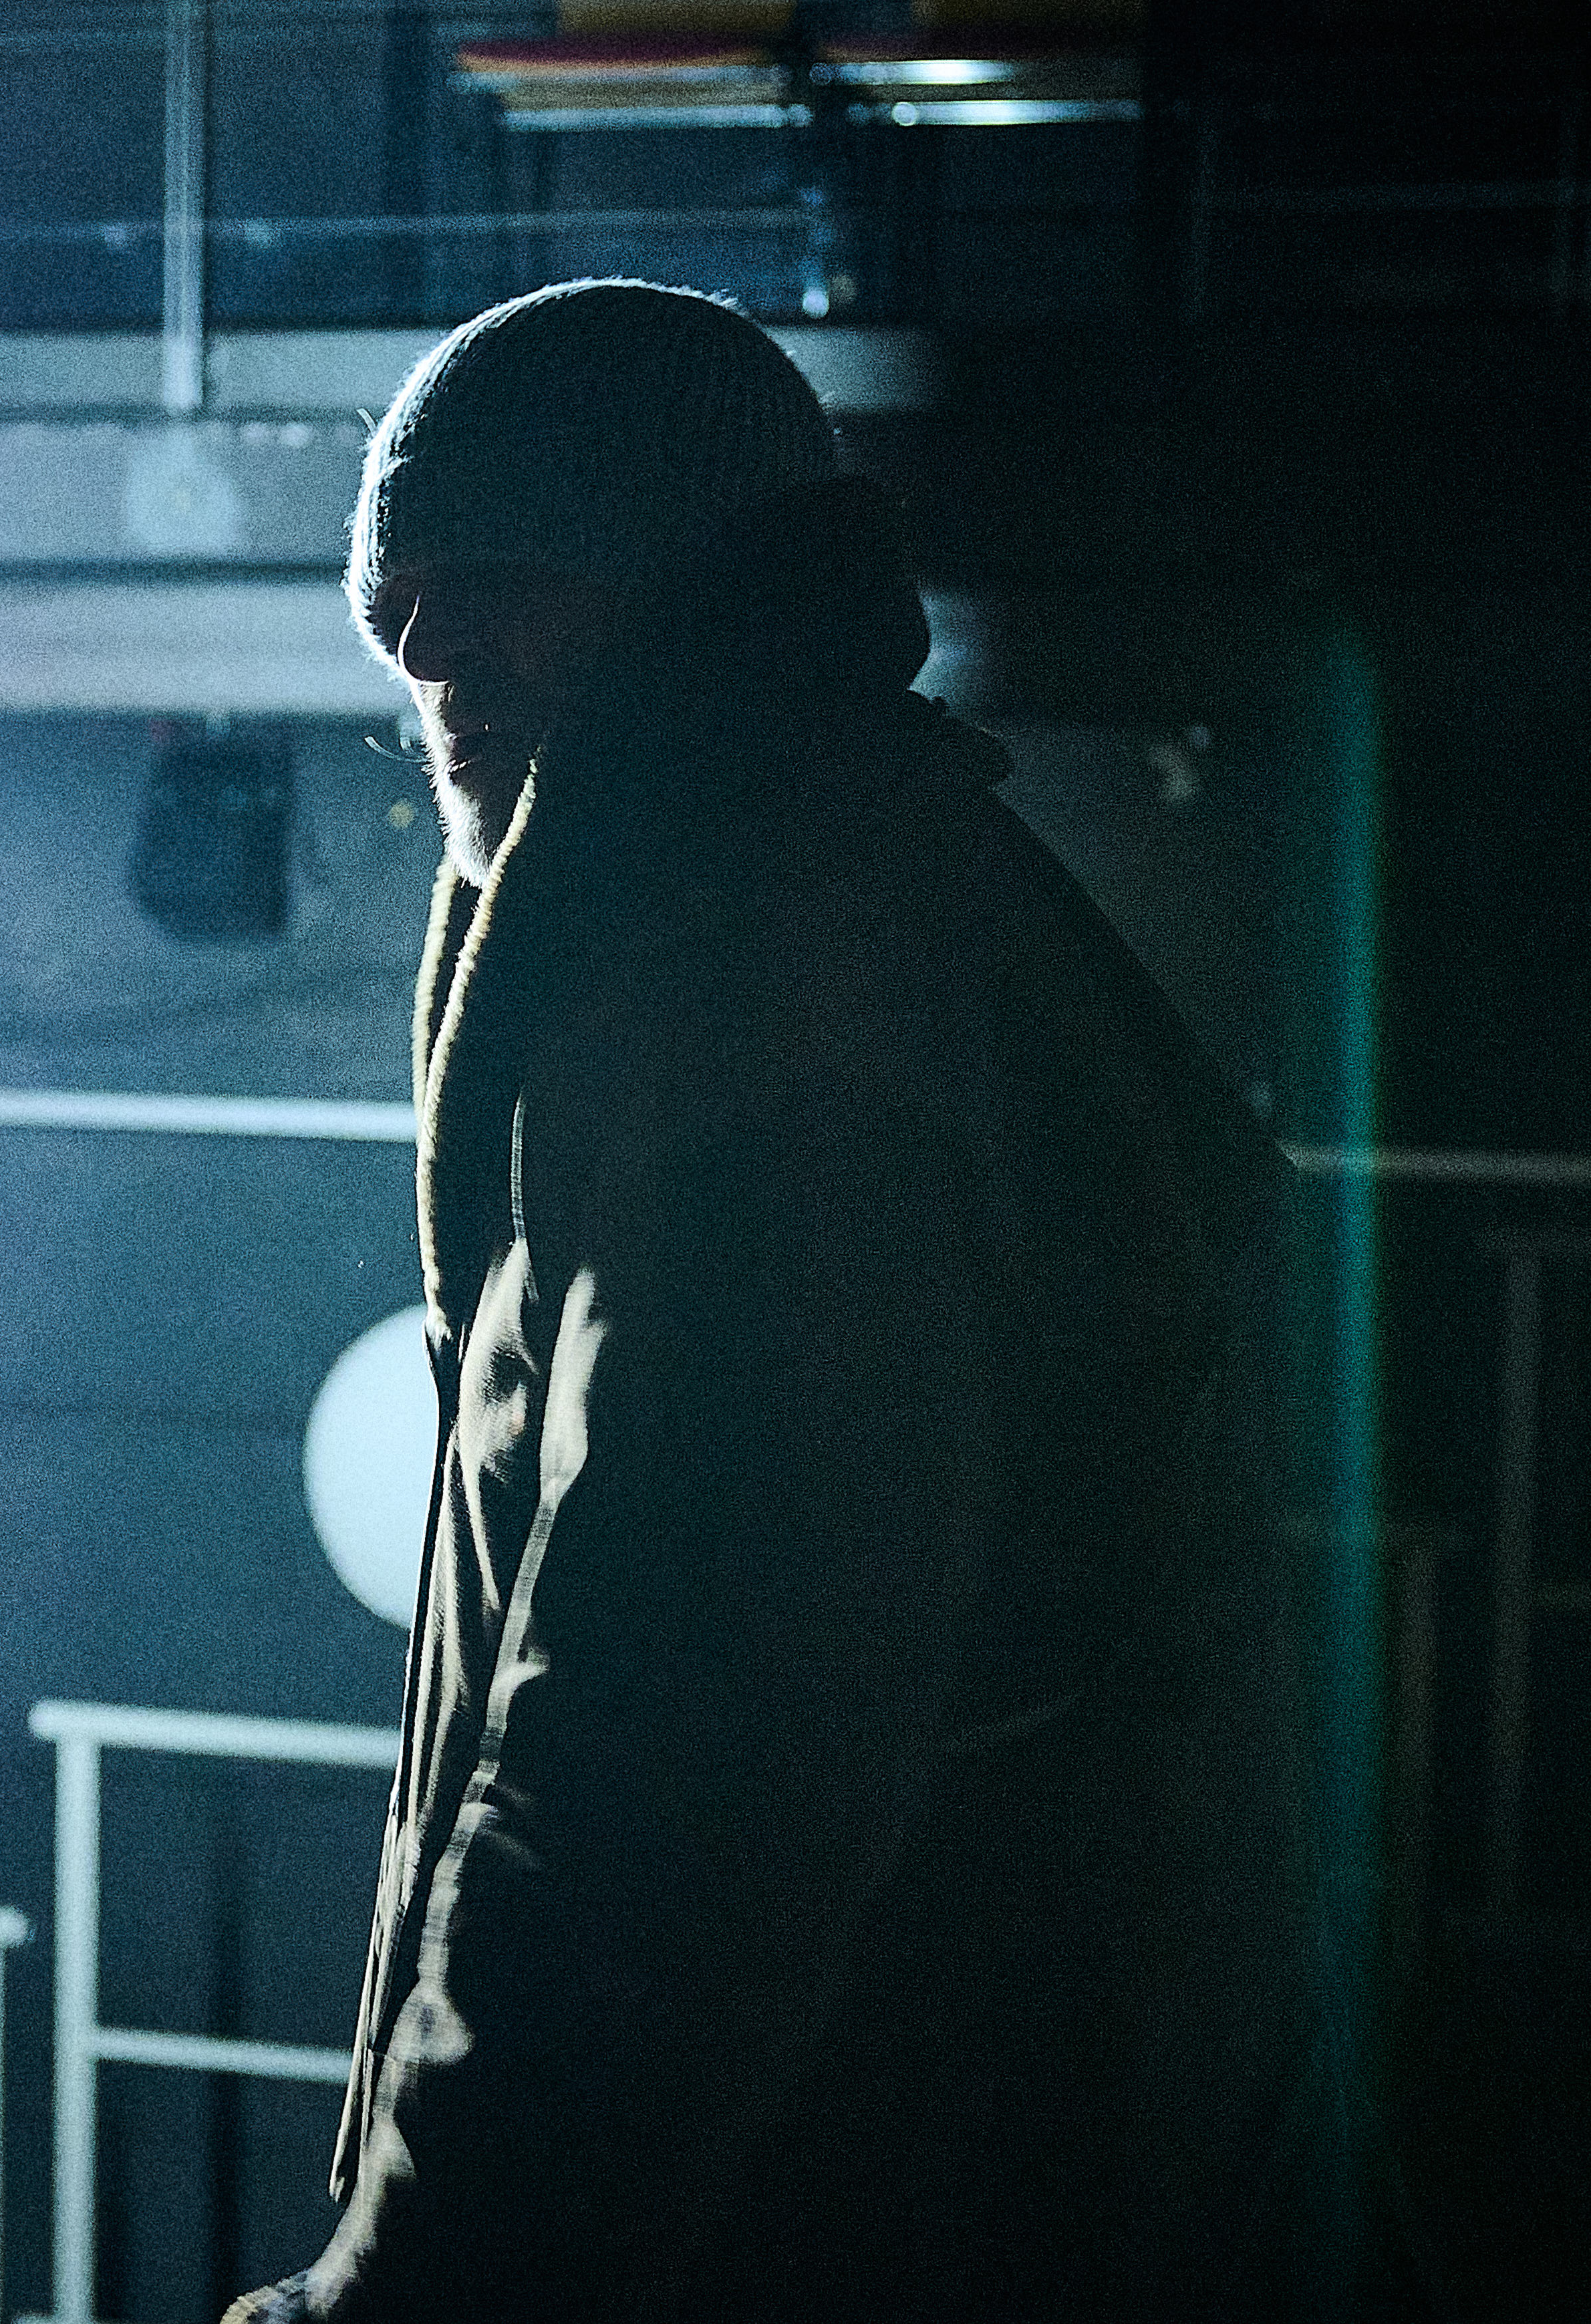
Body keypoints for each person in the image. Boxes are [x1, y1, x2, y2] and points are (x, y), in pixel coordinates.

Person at [225, 281, 1329, 2323]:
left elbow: (673, 1755)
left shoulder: (770, 999)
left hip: (871, 2204)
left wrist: (413, 2294)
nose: (432, 654)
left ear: (689, 581)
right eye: (400, 609)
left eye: (504, 577)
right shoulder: (837, 903)